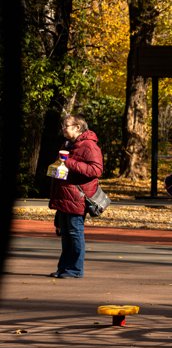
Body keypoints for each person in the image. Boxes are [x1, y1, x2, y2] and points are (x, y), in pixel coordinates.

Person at [48, 114, 104, 278]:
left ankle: (75, 269)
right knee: (65, 235)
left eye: (66, 125)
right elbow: (63, 165)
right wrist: (56, 168)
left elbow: (96, 170)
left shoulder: (89, 146)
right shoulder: (68, 144)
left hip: (77, 196)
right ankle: (64, 268)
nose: (63, 128)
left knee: (74, 233)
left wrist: (69, 162)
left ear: (77, 127)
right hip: (65, 195)